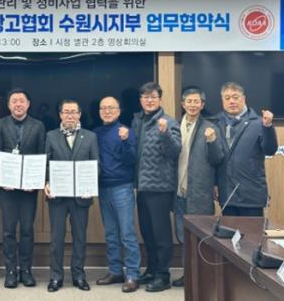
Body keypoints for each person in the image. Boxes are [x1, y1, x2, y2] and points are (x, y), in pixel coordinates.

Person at [0, 88, 45, 289]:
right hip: (8, 188)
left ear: (28, 104)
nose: (18, 104)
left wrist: (36, 181)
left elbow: (42, 154)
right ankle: (11, 271)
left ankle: (26, 270)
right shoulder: (0, 124)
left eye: (22, 101)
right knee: (8, 230)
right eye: (14, 101)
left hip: (29, 189)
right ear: (8, 105)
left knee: (28, 229)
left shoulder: (38, 126)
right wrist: (2, 178)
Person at [44, 99, 99, 293]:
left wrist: (90, 183)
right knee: (56, 238)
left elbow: (96, 165)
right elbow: (46, 164)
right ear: (60, 115)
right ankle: (56, 276)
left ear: (79, 114)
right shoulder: (51, 136)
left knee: (80, 238)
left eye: (73, 112)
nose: (70, 115)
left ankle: (79, 275)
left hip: (81, 196)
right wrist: (47, 182)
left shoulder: (90, 136)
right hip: (57, 196)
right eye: (66, 112)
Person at [131, 82, 181, 292]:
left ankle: (163, 275)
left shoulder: (168, 122)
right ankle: (151, 269)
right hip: (142, 186)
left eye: (153, 97)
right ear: (140, 100)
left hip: (160, 187)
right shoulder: (137, 121)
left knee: (161, 235)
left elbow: (174, 152)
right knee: (147, 232)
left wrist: (164, 133)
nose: (149, 100)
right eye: (145, 97)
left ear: (160, 99)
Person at [172, 87, 224, 287]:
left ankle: (204, 278)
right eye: (189, 101)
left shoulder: (210, 128)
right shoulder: (174, 126)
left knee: (201, 236)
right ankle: (188, 275)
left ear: (202, 105)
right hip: (178, 192)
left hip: (199, 192)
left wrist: (212, 141)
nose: (192, 105)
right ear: (182, 104)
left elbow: (217, 159)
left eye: (197, 102)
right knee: (183, 236)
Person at [94, 96, 141, 293]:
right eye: (103, 108)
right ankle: (115, 271)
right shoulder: (95, 133)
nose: (107, 111)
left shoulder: (126, 131)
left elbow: (132, 160)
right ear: (99, 112)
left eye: (111, 108)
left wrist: (126, 141)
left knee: (127, 233)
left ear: (119, 111)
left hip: (122, 187)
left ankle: (133, 274)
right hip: (102, 188)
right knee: (111, 233)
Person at [215, 82, 278, 217]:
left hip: (251, 196)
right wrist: (215, 184)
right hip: (227, 196)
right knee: (228, 231)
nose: (231, 101)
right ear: (222, 101)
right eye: (227, 98)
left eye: (235, 97)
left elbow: (270, 150)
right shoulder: (216, 123)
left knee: (252, 231)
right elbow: (215, 158)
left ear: (243, 99)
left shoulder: (259, 123)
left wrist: (268, 126)